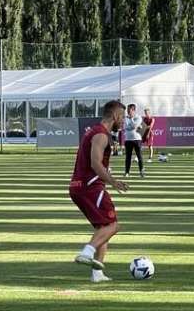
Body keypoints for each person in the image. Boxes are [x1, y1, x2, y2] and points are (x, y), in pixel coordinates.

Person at [69, 100, 128, 283]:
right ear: (116, 116)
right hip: (90, 187)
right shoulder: (101, 135)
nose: (124, 121)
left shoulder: (93, 131)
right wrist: (113, 181)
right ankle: (87, 252)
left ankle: (97, 274)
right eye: (123, 117)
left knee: (103, 229)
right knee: (114, 225)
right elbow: (95, 163)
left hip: (80, 186)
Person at [124, 104, 145, 178]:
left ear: (133, 110)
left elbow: (135, 126)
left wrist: (132, 119)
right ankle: (127, 172)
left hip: (137, 139)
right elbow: (126, 127)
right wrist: (133, 126)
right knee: (128, 157)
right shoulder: (125, 118)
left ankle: (141, 172)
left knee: (139, 156)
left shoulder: (138, 117)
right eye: (127, 110)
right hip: (128, 139)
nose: (127, 112)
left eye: (129, 110)